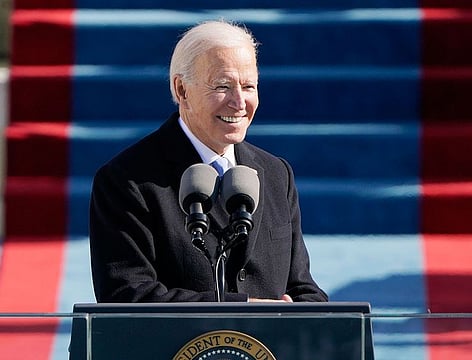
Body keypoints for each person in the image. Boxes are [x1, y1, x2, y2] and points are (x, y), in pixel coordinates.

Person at [89, 20, 328, 303]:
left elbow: (303, 288)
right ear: (182, 91)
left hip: (269, 348)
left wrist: (301, 313)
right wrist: (245, 309)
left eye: (249, 86)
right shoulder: (126, 181)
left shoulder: (276, 173)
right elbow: (129, 296)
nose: (239, 102)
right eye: (223, 86)